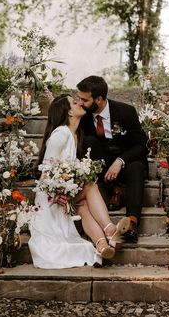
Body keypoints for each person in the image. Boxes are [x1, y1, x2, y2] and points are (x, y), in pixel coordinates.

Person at [29, 94, 130, 269]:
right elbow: (46, 172)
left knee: (82, 204)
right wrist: (56, 194)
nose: (79, 103)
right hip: (50, 199)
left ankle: (101, 245)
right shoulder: (60, 134)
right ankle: (109, 230)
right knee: (90, 187)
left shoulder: (74, 135)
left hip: (63, 192)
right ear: (68, 112)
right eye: (74, 102)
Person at [76, 76, 148, 243]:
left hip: (125, 164)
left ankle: (131, 223)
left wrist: (120, 161)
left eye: (84, 99)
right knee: (89, 141)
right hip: (100, 167)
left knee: (137, 167)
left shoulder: (126, 112)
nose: (80, 103)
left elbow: (142, 145)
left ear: (99, 99)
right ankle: (115, 190)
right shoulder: (83, 116)